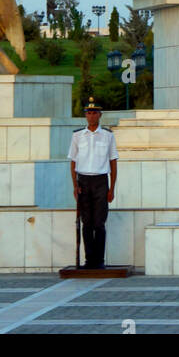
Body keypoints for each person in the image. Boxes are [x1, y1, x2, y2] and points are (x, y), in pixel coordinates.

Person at [69, 98, 118, 269]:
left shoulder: (108, 135)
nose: (91, 116)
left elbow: (113, 162)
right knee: (86, 222)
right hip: (83, 180)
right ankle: (89, 260)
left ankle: (99, 260)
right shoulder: (77, 136)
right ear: (85, 115)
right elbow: (73, 162)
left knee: (99, 223)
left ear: (100, 115)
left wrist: (112, 188)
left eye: (94, 113)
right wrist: (75, 186)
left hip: (100, 181)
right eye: (88, 113)